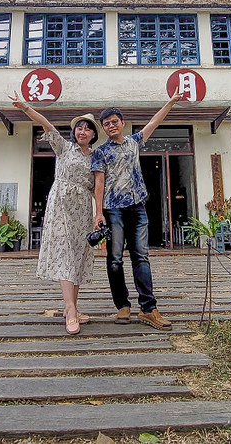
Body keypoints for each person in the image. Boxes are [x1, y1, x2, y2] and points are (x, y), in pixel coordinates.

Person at [91, 89, 183, 330]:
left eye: (114, 122)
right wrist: (98, 212)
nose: (111, 126)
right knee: (114, 260)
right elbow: (98, 182)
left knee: (141, 257)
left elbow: (154, 121)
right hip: (113, 210)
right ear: (103, 128)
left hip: (138, 207)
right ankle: (122, 305)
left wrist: (171, 101)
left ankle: (148, 309)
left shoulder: (134, 142)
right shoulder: (100, 152)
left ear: (122, 123)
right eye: (106, 124)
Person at [10, 92, 99, 335]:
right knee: (65, 254)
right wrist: (24, 107)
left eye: (87, 129)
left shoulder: (96, 157)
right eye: (79, 128)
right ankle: (70, 310)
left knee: (78, 256)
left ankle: (74, 307)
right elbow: (46, 124)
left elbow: (97, 186)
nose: (82, 132)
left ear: (93, 135)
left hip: (82, 209)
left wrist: (100, 213)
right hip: (61, 206)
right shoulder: (64, 148)